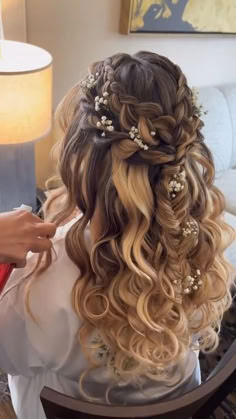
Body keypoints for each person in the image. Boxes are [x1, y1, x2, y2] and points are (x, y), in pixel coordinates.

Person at [0, 51, 234, 419]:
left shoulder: (37, 281)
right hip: (177, 401)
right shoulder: (204, 242)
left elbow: (8, 356)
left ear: (78, 159)